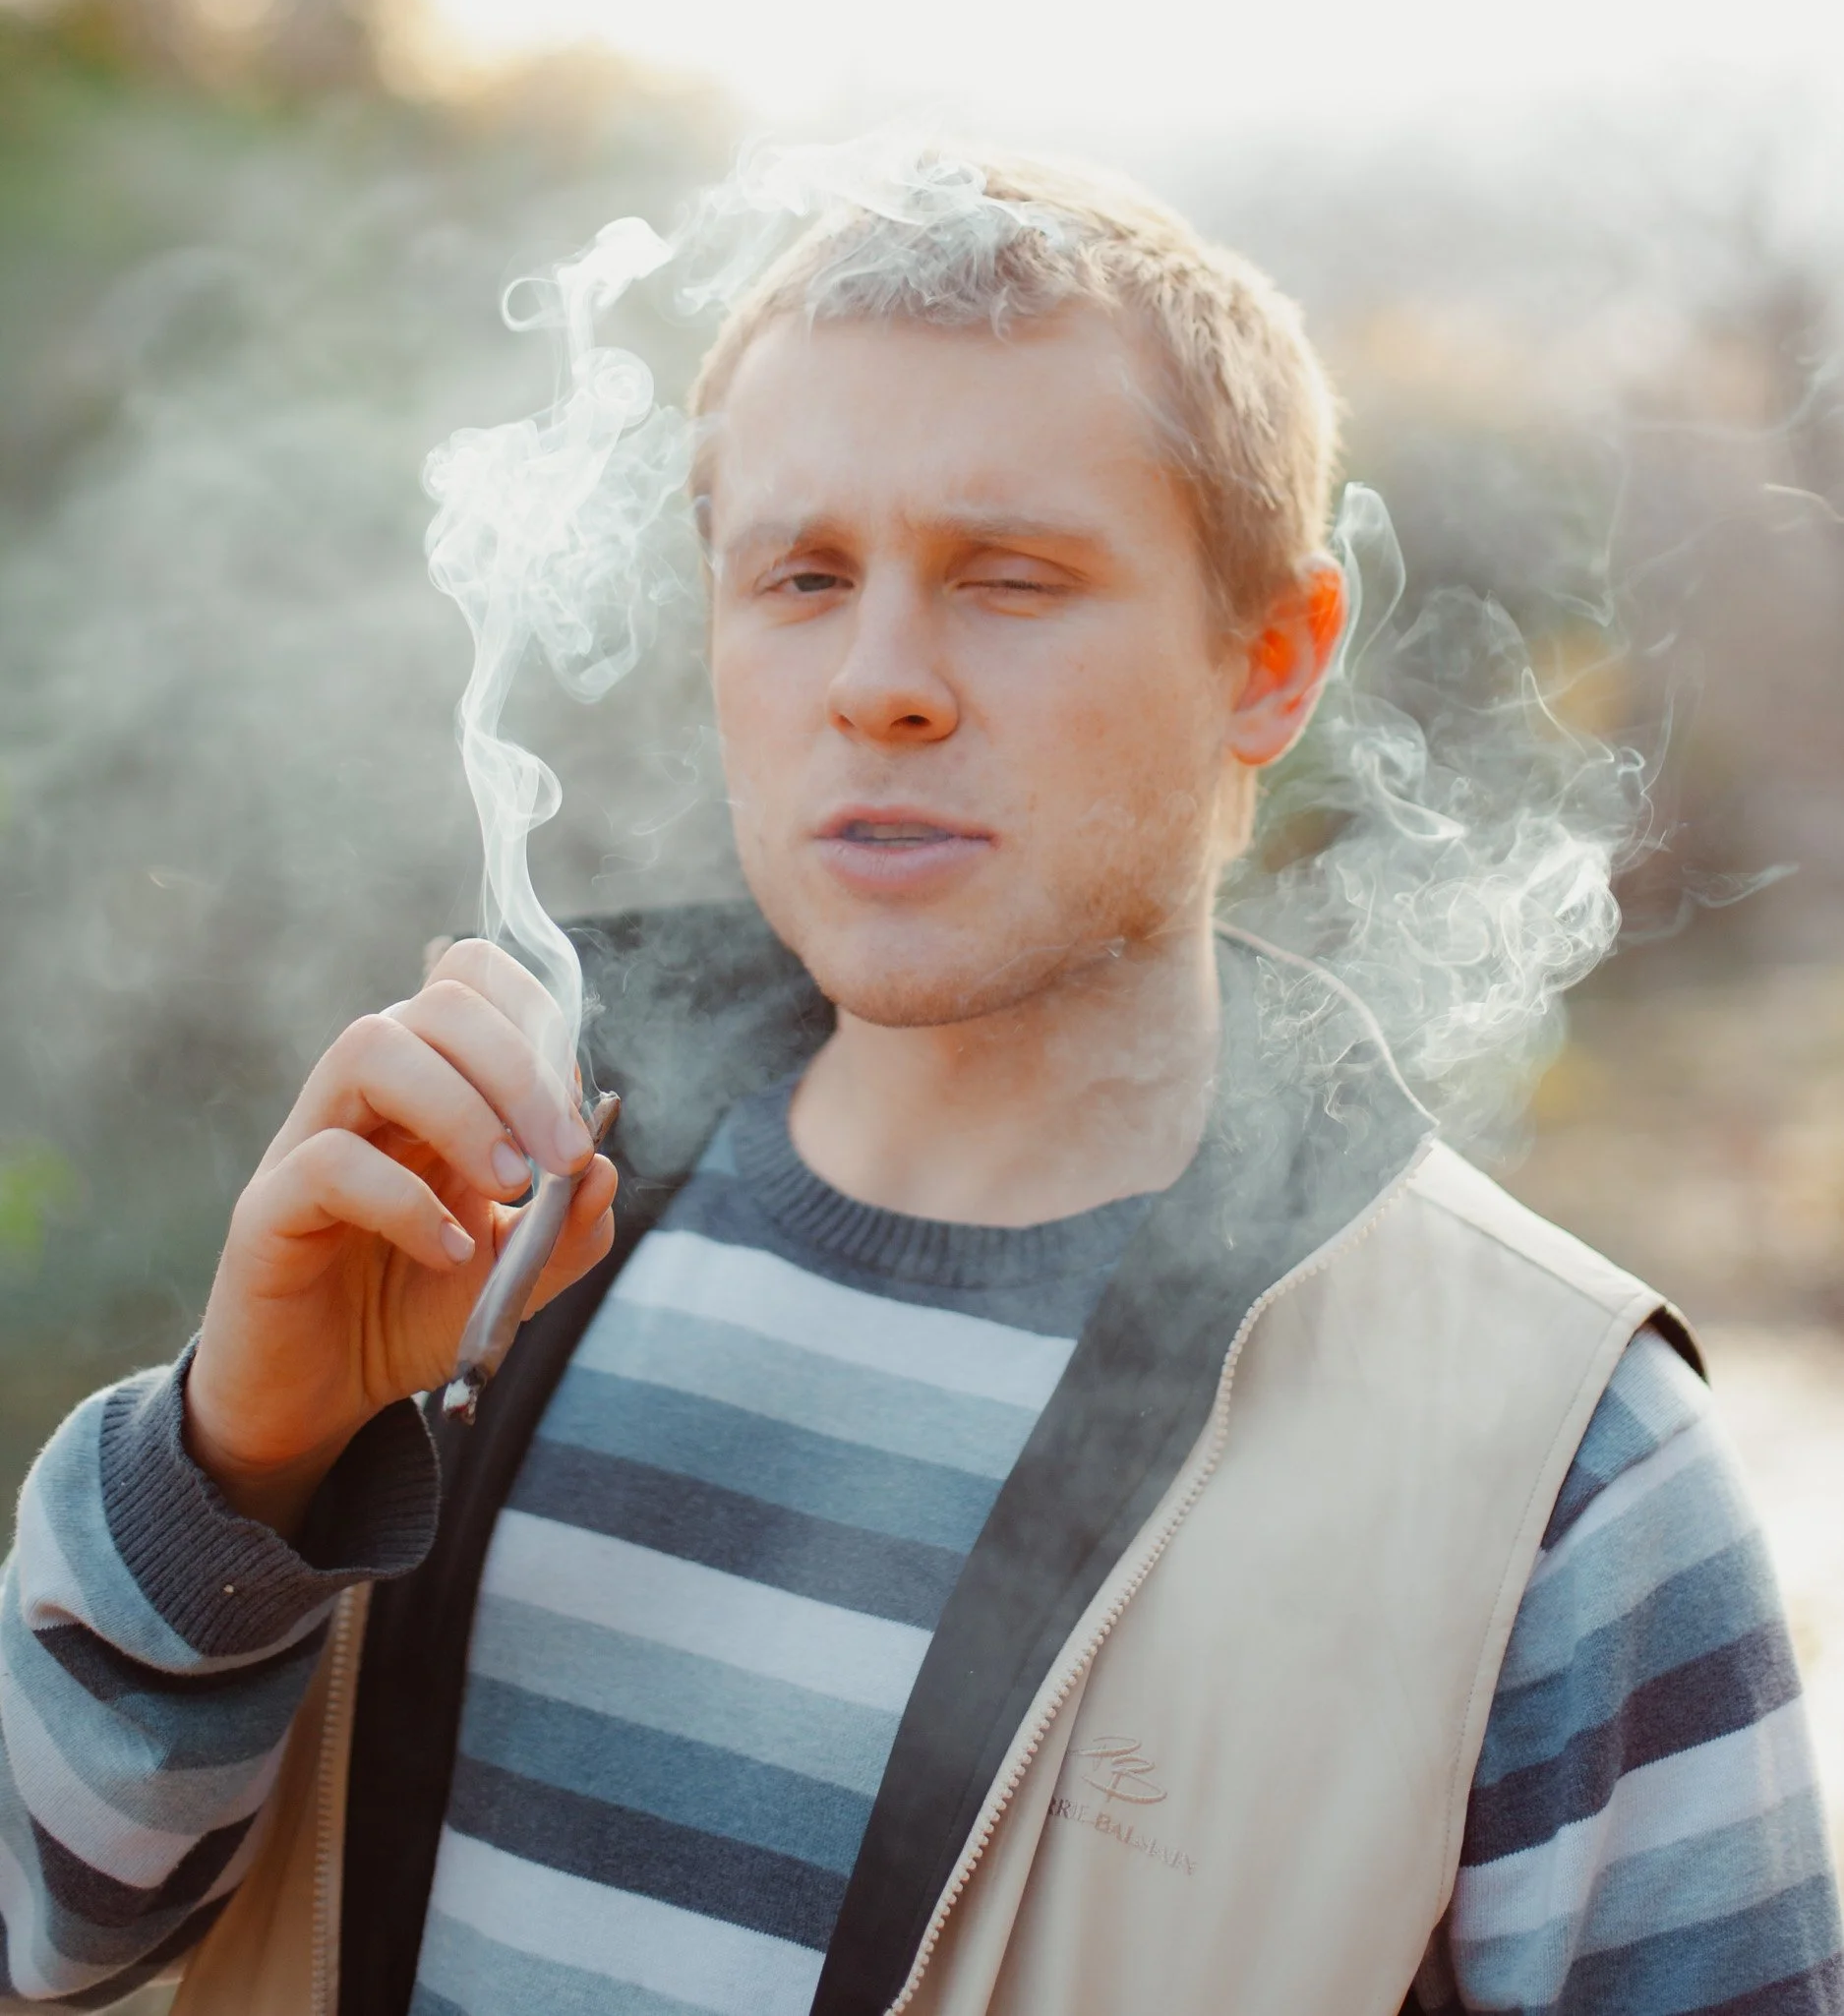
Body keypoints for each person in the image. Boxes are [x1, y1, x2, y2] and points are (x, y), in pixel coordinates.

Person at [2, 152, 1838, 2016]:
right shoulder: (464, 1230)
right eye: (799, 576)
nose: (879, 681)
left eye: (1009, 577)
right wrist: (233, 1471)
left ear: (1269, 661)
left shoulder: (1562, 1476)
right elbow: (45, 1937)